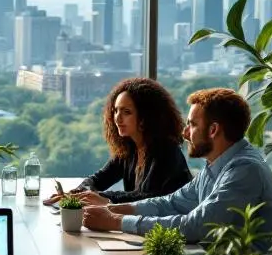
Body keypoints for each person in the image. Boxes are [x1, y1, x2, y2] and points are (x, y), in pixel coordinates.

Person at [81, 87, 272, 244]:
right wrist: (107, 209)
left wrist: (115, 221)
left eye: (191, 125)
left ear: (213, 130)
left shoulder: (245, 170)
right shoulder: (214, 167)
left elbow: (195, 227)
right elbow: (169, 204)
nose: (184, 133)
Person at [44, 78, 192, 206]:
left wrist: (100, 197)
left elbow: (146, 198)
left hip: (169, 234)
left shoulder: (166, 152)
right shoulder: (130, 149)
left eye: (126, 112)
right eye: (116, 110)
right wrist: (80, 192)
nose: (117, 118)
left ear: (146, 117)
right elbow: (98, 179)